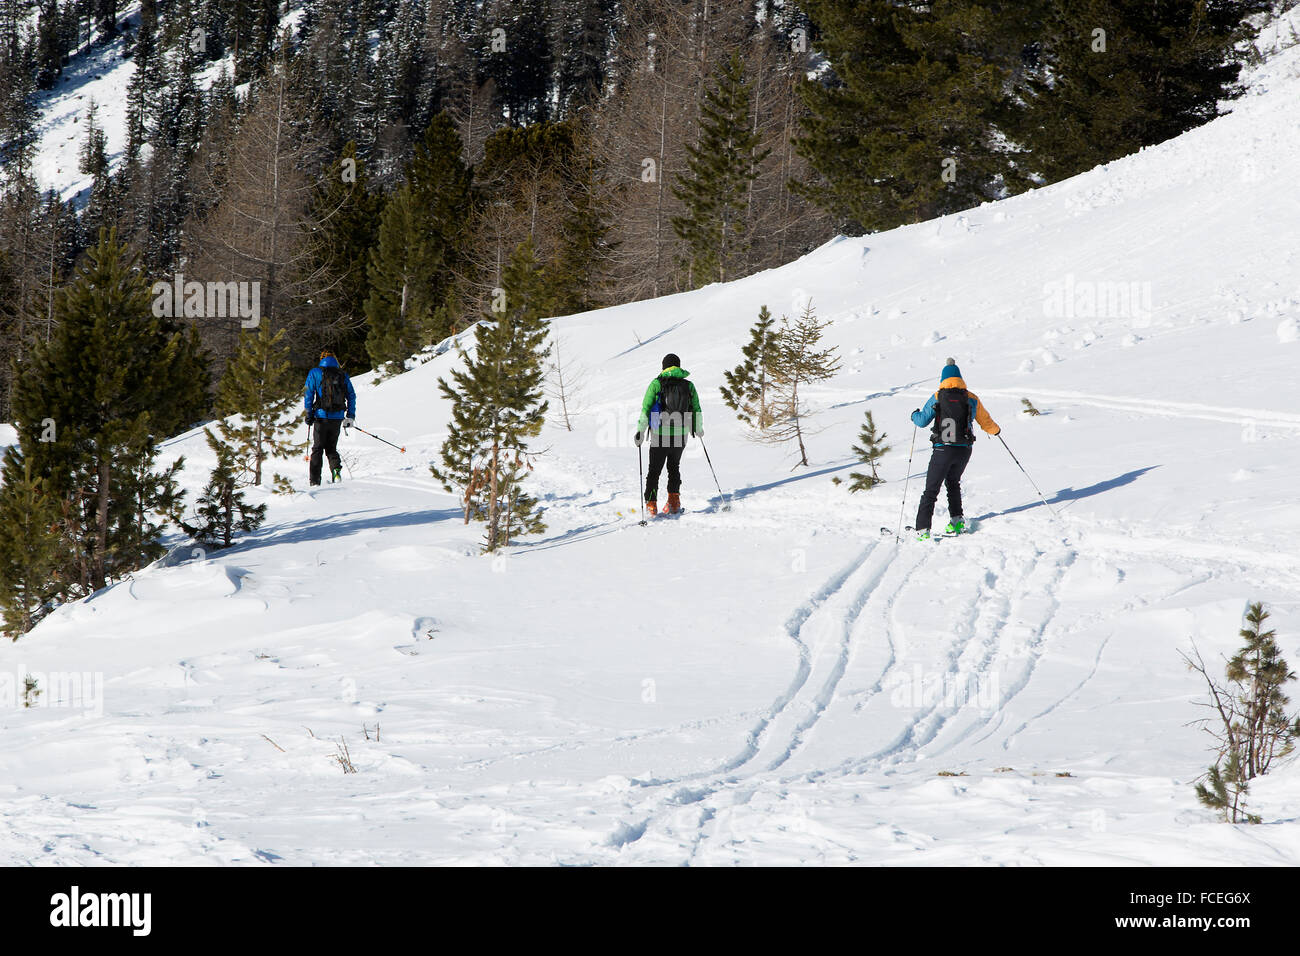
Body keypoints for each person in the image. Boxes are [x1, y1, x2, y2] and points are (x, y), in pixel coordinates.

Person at [909, 358, 1000, 539]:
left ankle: (922, 530)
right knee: (953, 484)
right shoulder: (971, 397)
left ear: (943, 378)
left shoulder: (938, 396)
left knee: (931, 490)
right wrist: (995, 430)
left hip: (943, 449)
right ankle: (957, 523)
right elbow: (985, 421)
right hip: (964, 449)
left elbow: (921, 421)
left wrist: (914, 415)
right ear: (960, 378)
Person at [634, 353, 703, 516]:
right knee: (674, 467)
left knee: (654, 470)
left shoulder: (657, 383)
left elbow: (646, 409)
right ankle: (674, 503)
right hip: (681, 432)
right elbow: (696, 409)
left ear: (664, 367)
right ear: (679, 366)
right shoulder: (689, 385)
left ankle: (651, 505)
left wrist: (641, 431)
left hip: (660, 432)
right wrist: (698, 428)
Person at [304, 350, 357, 485]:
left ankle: (315, 481)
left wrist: (308, 413)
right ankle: (336, 471)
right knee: (331, 448)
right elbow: (351, 395)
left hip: (321, 417)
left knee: (317, 449)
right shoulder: (342, 374)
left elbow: (308, 394)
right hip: (337, 417)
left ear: (321, 359)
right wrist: (350, 416)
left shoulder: (315, 372)